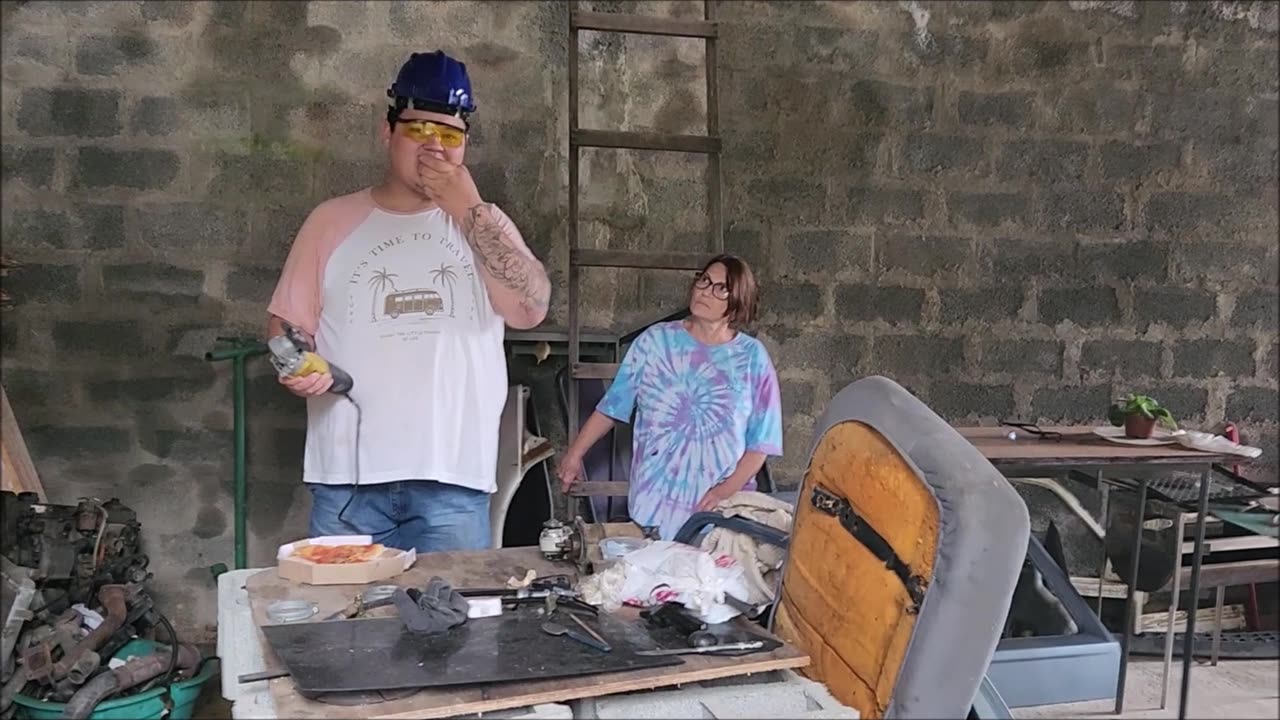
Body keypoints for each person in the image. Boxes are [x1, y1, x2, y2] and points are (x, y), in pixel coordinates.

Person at [265, 50, 551, 553]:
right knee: (346, 627)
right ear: (387, 130)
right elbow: (286, 326)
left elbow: (529, 309)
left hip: (454, 480)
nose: (434, 149)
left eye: (449, 136)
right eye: (419, 130)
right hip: (346, 483)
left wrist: (467, 208)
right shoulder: (330, 221)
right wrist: (295, 363)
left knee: (454, 628)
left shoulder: (486, 225)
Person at [556, 255, 784, 540]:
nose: (705, 291)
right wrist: (575, 454)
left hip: (720, 508)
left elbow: (760, 445)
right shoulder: (655, 342)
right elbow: (613, 406)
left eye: (720, 288)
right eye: (704, 280)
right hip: (654, 501)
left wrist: (721, 493)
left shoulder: (752, 358)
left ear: (738, 299)